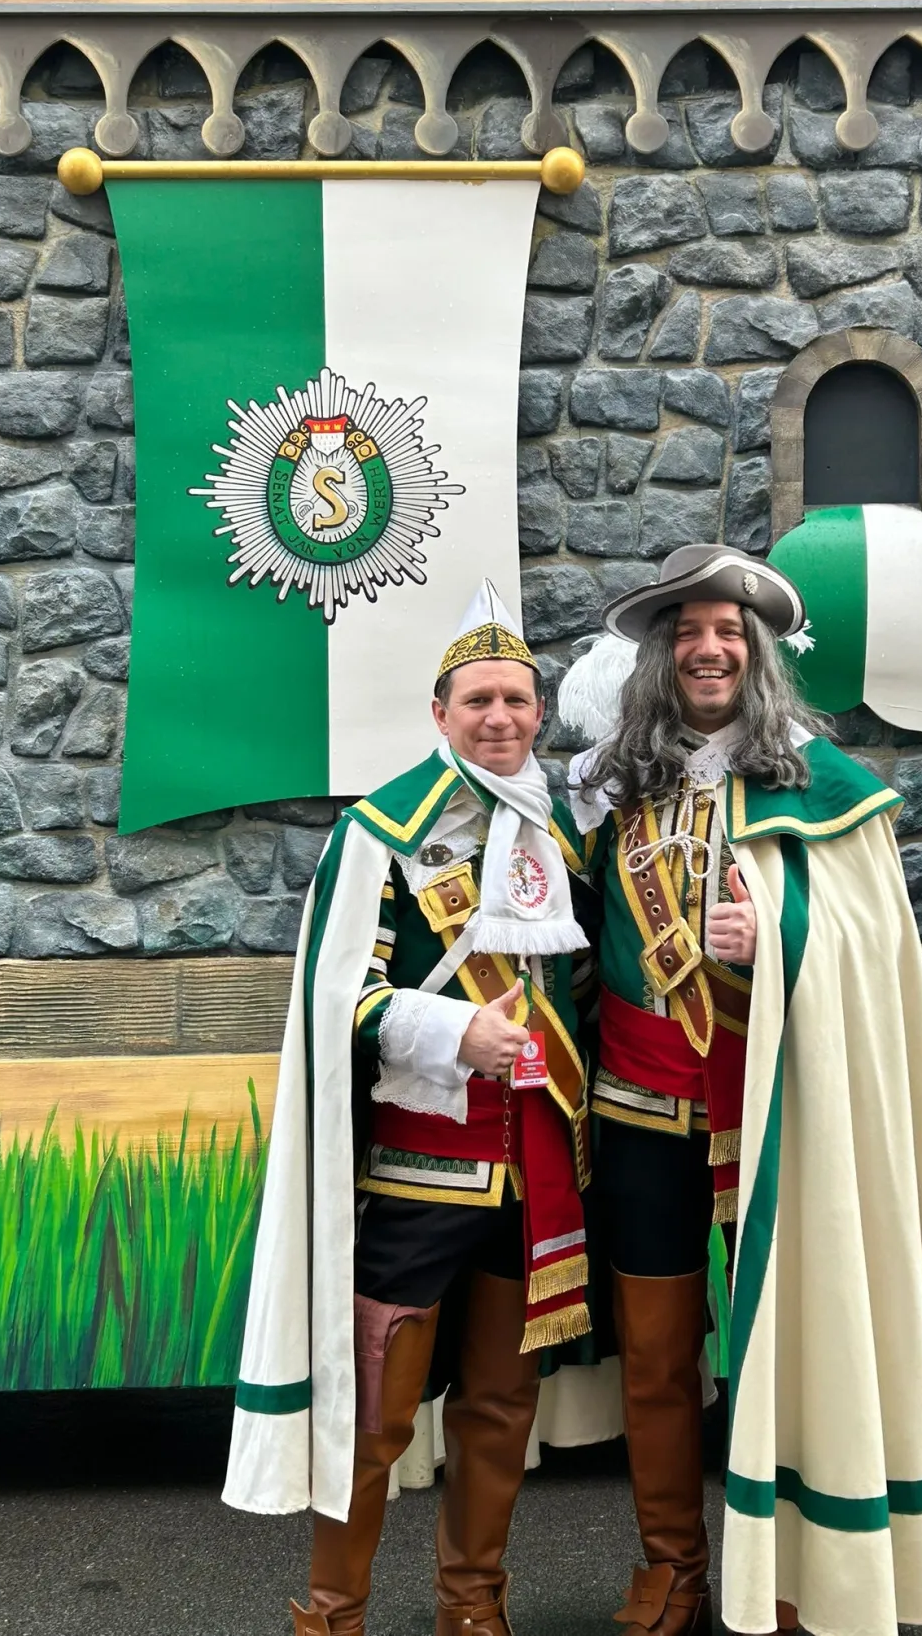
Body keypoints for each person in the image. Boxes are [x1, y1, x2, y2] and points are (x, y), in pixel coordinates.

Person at [562, 544, 922, 1636]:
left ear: (756, 654)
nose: (707, 648)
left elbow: (873, 950)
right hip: (638, 1114)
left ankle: (790, 1564)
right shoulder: (600, 787)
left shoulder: (823, 782)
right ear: (659, 655)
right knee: (659, 1353)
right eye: (687, 633)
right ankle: (672, 1565)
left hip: (783, 1120)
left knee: (795, 1339)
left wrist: (772, 932)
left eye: (727, 632)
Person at [224, 581, 595, 1636]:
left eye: (517, 700)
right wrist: (454, 1034)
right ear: (439, 714)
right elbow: (343, 993)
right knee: (377, 1416)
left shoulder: (562, 832)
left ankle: (471, 1606)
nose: (499, 717)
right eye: (477, 699)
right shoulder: (382, 830)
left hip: (537, 1173)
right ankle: (332, 1613)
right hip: (418, 1172)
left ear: (538, 712)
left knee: (498, 1410)